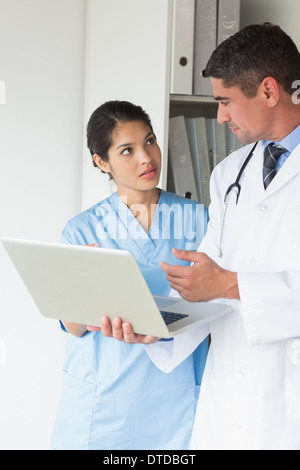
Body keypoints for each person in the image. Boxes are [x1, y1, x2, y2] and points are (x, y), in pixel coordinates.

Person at [104, 24, 300, 450]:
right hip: (228, 405)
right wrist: (155, 327)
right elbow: (205, 286)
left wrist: (231, 284)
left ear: (269, 91)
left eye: (226, 101)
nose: (220, 117)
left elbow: (225, 284)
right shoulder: (230, 173)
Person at [51, 100, 209, 450]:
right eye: (127, 150)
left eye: (149, 141)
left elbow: (221, 307)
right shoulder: (82, 230)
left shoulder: (200, 220)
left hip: (178, 398)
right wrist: (83, 295)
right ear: (101, 162)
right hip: (105, 401)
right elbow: (72, 326)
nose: (146, 157)